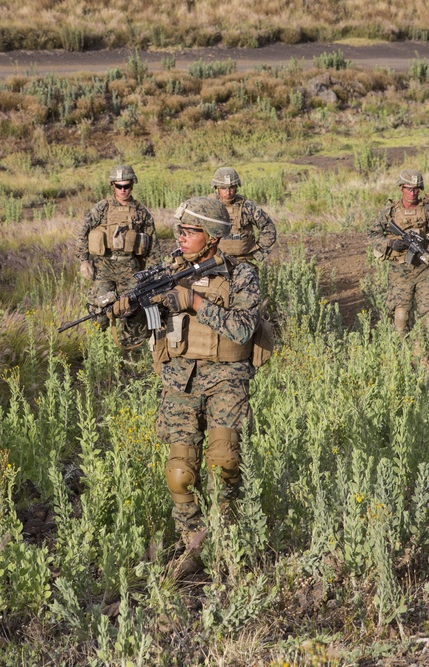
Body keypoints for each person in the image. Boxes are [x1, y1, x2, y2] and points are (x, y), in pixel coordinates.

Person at [148, 196, 261, 577]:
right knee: (180, 472)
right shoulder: (167, 270)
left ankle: (226, 537)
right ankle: (193, 543)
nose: (180, 237)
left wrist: (194, 302)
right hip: (180, 379)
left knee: (225, 462)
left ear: (211, 237)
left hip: (228, 377)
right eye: (179, 230)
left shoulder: (242, 275)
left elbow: (244, 328)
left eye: (190, 231)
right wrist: (122, 313)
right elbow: (140, 333)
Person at [75, 165, 157, 350]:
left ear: (132, 185)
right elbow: (83, 232)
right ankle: (96, 350)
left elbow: (153, 244)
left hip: (130, 268)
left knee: (134, 309)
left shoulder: (141, 213)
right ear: (113, 185)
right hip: (104, 267)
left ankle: (132, 352)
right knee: (100, 309)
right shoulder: (101, 208)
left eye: (126, 186)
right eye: (119, 186)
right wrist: (83, 260)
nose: (123, 190)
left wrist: (152, 271)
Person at [368, 169, 429, 332]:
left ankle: (424, 350)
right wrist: (390, 243)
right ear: (401, 188)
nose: (413, 193)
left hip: (425, 269)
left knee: (428, 313)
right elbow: (372, 235)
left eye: (416, 189)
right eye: (409, 189)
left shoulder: (428, 211)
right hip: (400, 270)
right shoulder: (389, 211)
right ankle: (401, 351)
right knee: (400, 315)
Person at [210, 167, 276, 263]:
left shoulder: (247, 207)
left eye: (231, 187)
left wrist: (259, 252)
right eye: (223, 188)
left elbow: (268, 228)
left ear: (236, 187)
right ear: (217, 188)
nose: (228, 192)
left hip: (243, 261)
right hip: (216, 261)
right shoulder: (209, 207)